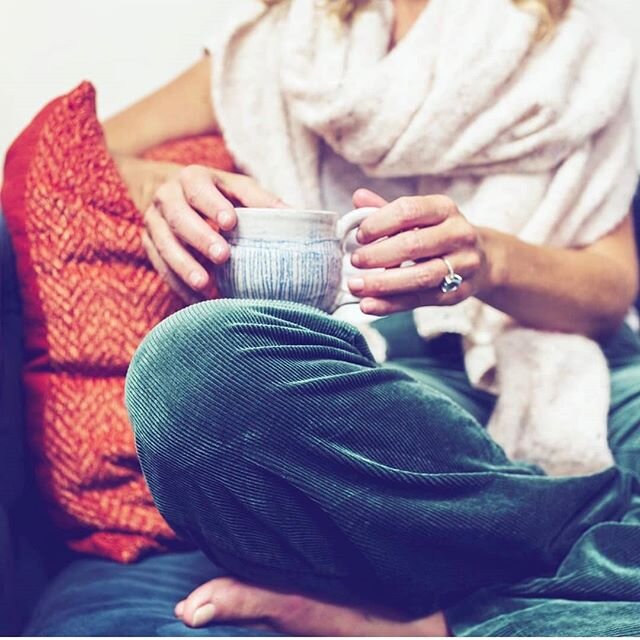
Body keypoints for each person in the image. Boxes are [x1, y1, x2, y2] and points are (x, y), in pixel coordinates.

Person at [95, 0, 640, 635]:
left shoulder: (582, 50)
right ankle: (594, 537)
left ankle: (422, 622)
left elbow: (607, 292)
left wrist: (489, 264)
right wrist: (171, 192)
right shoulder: (279, 46)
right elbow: (87, 153)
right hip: (362, 385)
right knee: (187, 369)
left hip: (566, 364)